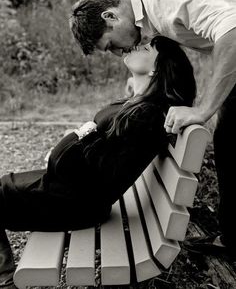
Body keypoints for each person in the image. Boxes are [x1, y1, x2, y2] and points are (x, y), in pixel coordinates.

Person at [69, 0, 236, 258]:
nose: (120, 53)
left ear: (110, 16)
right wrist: (140, 82)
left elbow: (232, 30)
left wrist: (203, 109)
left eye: (112, 46)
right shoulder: (148, 0)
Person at [0, 37, 196, 289]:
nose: (135, 46)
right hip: (75, 195)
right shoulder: (139, 108)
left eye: (146, 48)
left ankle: (5, 280)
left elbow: (94, 172)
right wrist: (78, 139)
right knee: (4, 186)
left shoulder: (143, 116)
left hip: (76, 204)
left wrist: (72, 139)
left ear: (156, 68)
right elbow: (92, 162)